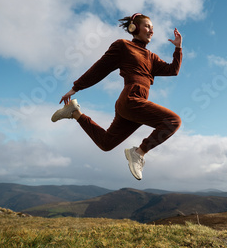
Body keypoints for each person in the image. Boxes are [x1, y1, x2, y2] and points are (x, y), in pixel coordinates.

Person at [51, 13, 182, 181]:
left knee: (106, 143)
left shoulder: (151, 57)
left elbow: (173, 70)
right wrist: (76, 87)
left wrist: (178, 48)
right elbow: (100, 68)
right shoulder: (123, 46)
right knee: (173, 121)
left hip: (137, 105)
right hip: (130, 99)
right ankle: (139, 152)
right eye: (148, 26)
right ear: (134, 27)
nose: (151, 31)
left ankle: (74, 112)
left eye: (153, 28)